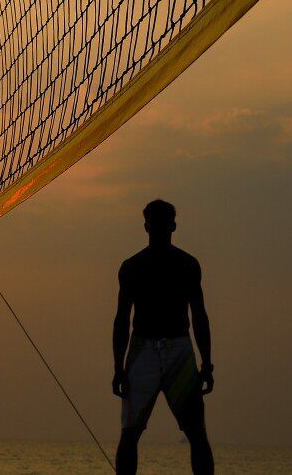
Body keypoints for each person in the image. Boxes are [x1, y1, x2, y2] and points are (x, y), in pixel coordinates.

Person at [112, 200, 213, 475]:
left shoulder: (186, 265)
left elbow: (199, 316)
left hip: (177, 349)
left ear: (171, 226)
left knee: (194, 432)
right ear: (149, 227)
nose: (157, 229)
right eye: (155, 225)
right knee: (132, 432)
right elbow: (122, 318)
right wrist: (118, 367)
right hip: (144, 347)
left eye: (160, 224)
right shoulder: (133, 267)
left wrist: (206, 364)